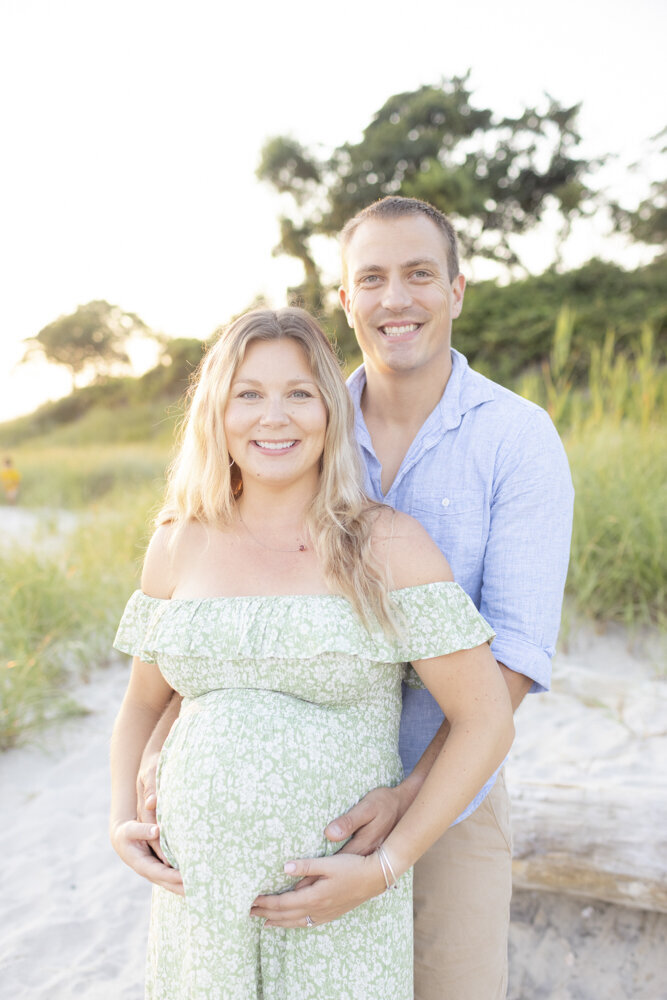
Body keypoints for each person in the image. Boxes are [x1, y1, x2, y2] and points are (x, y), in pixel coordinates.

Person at [110, 307, 514, 999]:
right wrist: (122, 819)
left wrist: (386, 864)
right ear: (216, 411)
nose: (275, 417)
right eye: (249, 394)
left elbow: (485, 720)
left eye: (299, 393)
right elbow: (141, 706)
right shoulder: (179, 540)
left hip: (336, 913)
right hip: (200, 908)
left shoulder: (385, 543)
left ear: (330, 410)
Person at [249, 198, 574, 999]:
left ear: (456, 290)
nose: (396, 299)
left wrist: (407, 796)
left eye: (419, 274)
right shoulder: (299, 426)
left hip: (451, 791)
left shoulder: (517, 438)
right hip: (298, 787)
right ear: (345, 301)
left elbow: (516, 655)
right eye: (373, 279)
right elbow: (233, 584)